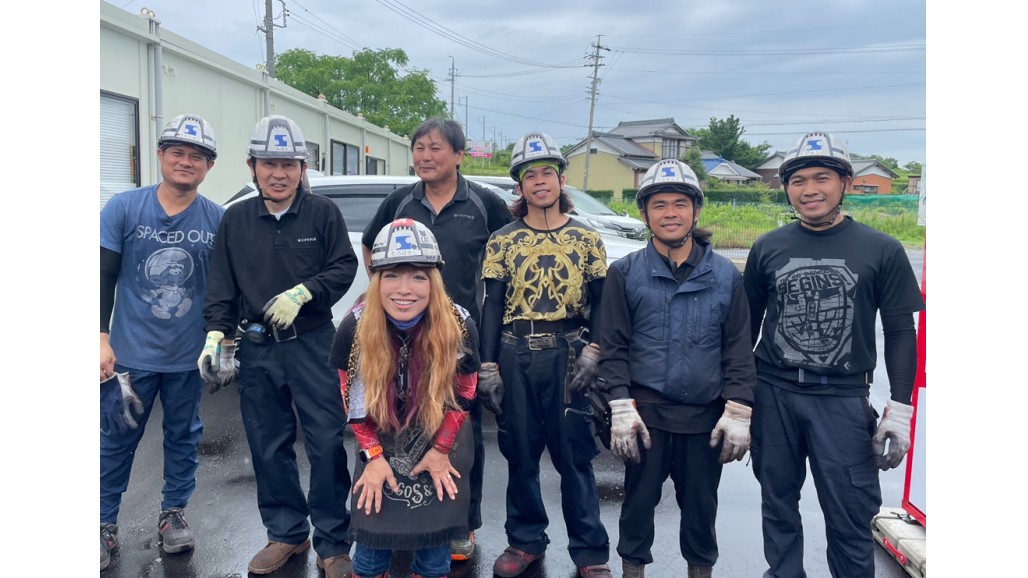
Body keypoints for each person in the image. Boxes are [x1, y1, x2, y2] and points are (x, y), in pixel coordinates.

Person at [744, 131, 926, 578]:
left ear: (845, 183)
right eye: (798, 180)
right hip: (775, 394)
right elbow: (745, 327)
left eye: (821, 178)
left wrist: (900, 410)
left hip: (842, 401)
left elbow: (901, 331)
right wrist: (737, 400)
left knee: (849, 513)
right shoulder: (768, 247)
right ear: (787, 188)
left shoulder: (881, 249)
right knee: (777, 506)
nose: (809, 190)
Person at [200, 115, 359, 577]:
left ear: (302, 168)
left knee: (326, 442)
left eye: (289, 164)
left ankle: (333, 541)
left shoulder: (322, 213)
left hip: (313, 343)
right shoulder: (236, 219)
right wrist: (216, 335)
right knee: (268, 444)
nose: (279, 173)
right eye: (269, 163)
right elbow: (222, 284)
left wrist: (304, 292)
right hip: (258, 347)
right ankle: (287, 533)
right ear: (252, 166)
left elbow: (343, 267)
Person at [593, 159, 756, 578]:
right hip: (644, 418)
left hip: (705, 420)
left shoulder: (725, 276)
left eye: (680, 204)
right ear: (644, 212)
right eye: (659, 205)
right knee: (636, 510)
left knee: (701, 514)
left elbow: (738, 349)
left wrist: (739, 409)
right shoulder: (625, 273)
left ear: (696, 210)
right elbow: (614, 347)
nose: (670, 213)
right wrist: (620, 406)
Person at [361, 116, 512, 560]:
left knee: (461, 431)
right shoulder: (400, 201)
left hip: (460, 339)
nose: (425, 157)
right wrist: (392, 296)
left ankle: (461, 524)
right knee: (400, 427)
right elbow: (370, 245)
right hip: (402, 338)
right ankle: (403, 520)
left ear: (459, 155)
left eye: (436, 148)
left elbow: (508, 252)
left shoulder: (484, 203)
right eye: (419, 148)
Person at [479, 132, 612, 578]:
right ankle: (525, 540)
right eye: (529, 175)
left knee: (575, 455)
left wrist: (595, 350)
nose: (539, 181)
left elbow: (603, 300)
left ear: (561, 180)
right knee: (520, 453)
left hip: (568, 353)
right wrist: (488, 365)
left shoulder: (586, 238)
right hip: (515, 352)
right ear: (519, 186)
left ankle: (590, 551)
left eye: (547, 173)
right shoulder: (502, 240)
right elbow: (492, 304)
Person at [99, 113, 223, 570]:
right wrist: (99, 337)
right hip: (128, 356)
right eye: (177, 152)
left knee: (183, 436)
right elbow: (102, 275)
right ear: (160, 155)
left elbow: (224, 289)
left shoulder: (217, 219)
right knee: (116, 436)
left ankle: (173, 514)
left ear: (209, 165)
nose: (186, 161)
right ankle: (102, 523)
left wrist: (222, 343)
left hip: (188, 357)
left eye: (197, 156)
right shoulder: (124, 208)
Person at [329, 219, 480, 578]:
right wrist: (373, 458)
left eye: (418, 277)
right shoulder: (354, 327)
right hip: (377, 437)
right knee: (368, 558)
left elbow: (465, 393)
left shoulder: (459, 326)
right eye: (392, 276)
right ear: (376, 280)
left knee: (434, 559)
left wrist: (441, 450)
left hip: (442, 434)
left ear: (434, 281)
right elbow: (351, 401)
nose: (404, 289)